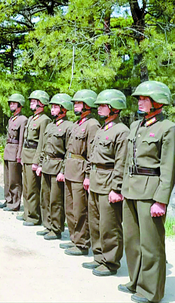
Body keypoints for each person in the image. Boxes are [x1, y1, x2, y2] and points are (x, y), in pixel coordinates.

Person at [120, 81, 175, 303]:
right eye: (139, 99)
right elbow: (127, 161)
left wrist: (161, 201)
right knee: (132, 241)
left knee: (151, 245)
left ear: (158, 102)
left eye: (144, 99)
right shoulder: (136, 126)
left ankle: (151, 292)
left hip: (150, 192)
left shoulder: (167, 128)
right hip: (131, 189)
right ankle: (135, 281)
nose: (140, 102)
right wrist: (123, 186)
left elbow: (169, 168)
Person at [84, 89, 128, 277]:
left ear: (114, 108)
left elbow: (121, 162)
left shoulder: (121, 131)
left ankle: (110, 262)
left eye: (103, 105)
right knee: (95, 222)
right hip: (95, 179)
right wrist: (88, 175)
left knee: (109, 224)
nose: (99, 109)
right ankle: (99, 256)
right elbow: (92, 154)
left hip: (109, 180)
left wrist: (116, 188)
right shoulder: (103, 129)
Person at [61, 90, 100, 255]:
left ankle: (82, 243)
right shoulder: (77, 123)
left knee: (80, 210)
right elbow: (68, 149)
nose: (75, 106)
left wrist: (88, 175)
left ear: (87, 105)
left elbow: (92, 153)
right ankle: (74, 239)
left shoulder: (92, 125)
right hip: (70, 168)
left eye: (78, 103)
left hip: (80, 170)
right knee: (69, 208)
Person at [35, 94, 74, 240]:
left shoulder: (68, 127)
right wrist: (39, 164)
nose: (52, 109)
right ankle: (48, 225)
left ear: (64, 109)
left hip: (57, 165)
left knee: (55, 200)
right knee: (45, 197)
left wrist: (63, 170)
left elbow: (68, 151)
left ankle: (56, 228)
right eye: (52, 106)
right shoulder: (50, 125)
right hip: (46, 164)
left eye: (56, 106)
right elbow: (43, 147)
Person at [19, 90, 51, 227]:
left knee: (33, 188)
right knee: (26, 187)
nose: (31, 103)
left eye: (34, 101)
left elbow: (42, 142)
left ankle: (33, 216)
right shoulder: (32, 118)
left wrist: (37, 161)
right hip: (26, 153)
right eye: (31, 101)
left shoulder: (44, 120)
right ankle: (27, 212)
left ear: (42, 104)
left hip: (33, 154)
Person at [0, 94, 27, 212]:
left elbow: (21, 139)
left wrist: (19, 154)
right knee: (7, 178)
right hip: (8, 150)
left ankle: (15, 203)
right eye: (10, 103)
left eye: (14, 103)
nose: (11, 105)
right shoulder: (12, 119)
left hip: (15, 150)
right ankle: (8, 199)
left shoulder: (23, 119)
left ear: (20, 106)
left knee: (14, 180)